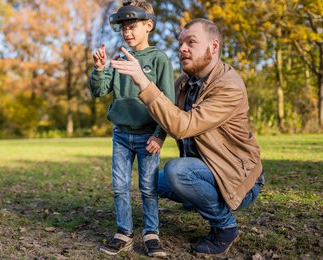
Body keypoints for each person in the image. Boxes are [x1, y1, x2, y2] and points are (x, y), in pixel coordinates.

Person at [110, 18, 265, 256]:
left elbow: (182, 126)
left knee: (177, 172)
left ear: (213, 47)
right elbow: (164, 111)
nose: (182, 48)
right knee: (151, 182)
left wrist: (142, 80)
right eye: (180, 43)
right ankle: (197, 197)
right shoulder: (185, 82)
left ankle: (225, 227)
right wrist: (155, 134)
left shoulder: (229, 86)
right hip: (207, 167)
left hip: (237, 178)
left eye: (191, 42)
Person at [90, 0, 174, 257]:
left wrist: (160, 135)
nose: (127, 31)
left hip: (149, 136)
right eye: (124, 27)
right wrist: (100, 69)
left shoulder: (159, 59)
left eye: (133, 25)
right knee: (119, 186)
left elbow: (167, 102)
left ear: (148, 25)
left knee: (148, 188)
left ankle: (151, 234)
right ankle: (123, 232)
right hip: (121, 136)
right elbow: (100, 91)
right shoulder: (118, 59)